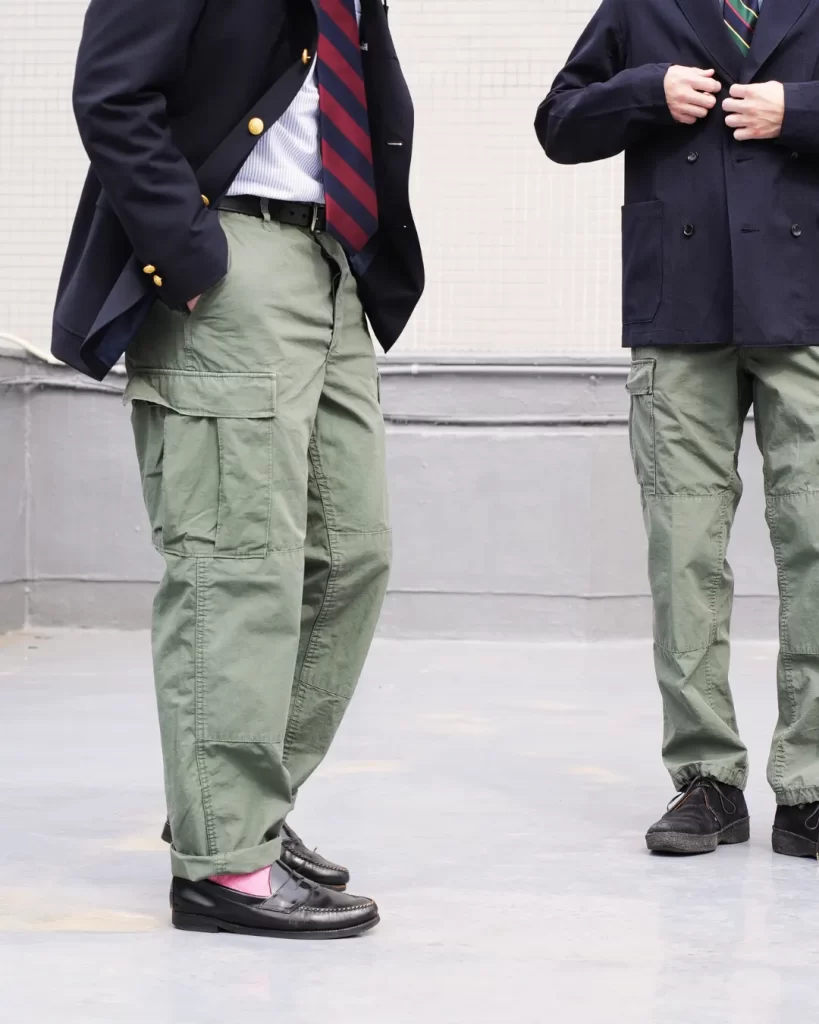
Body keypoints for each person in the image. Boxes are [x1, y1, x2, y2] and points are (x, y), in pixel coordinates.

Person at [53, 0, 423, 937]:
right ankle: (224, 862)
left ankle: (232, 805)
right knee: (236, 564)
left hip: (330, 257)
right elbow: (112, 92)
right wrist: (187, 253)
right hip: (228, 255)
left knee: (352, 554)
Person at [537, 0, 819, 858]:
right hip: (678, 307)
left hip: (806, 301)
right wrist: (645, 92)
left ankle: (810, 785)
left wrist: (798, 110)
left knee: (815, 540)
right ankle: (706, 780)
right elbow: (559, 123)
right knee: (681, 550)